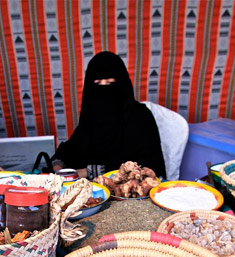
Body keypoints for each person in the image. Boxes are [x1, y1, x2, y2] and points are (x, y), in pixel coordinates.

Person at [52, 51, 165, 179]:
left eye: (110, 83)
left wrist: (91, 172)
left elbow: (149, 166)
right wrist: (59, 168)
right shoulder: (91, 117)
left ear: (122, 84)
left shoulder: (140, 117)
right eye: (97, 84)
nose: (104, 90)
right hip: (88, 189)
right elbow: (68, 151)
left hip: (129, 190)